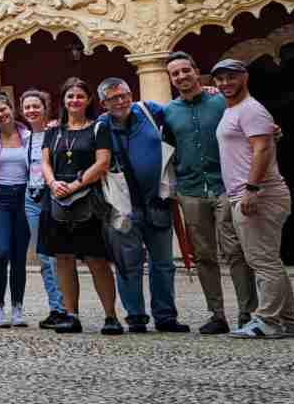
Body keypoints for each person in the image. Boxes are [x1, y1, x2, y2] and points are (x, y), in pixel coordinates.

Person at [163, 51, 257, 334]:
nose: (181, 77)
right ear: (170, 79)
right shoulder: (168, 112)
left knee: (236, 251)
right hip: (190, 190)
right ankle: (217, 315)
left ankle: (247, 313)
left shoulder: (222, 101)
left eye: (185, 70)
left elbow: (249, 124)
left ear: (196, 71)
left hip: (225, 185)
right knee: (203, 255)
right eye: (175, 73)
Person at [211, 59, 294, 339]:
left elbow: (261, 150)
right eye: (220, 79)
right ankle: (288, 322)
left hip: (259, 195)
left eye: (231, 77)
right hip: (247, 194)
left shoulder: (250, 109)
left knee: (263, 262)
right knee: (268, 260)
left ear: (245, 77)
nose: (225, 83)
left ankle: (268, 321)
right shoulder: (235, 108)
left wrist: (251, 188)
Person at [99, 77, 190, 334]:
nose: (120, 101)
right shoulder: (101, 126)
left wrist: (204, 90)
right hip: (122, 206)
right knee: (128, 264)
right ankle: (136, 316)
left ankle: (165, 316)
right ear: (103, 103)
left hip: (157, 201)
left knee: (163, 263)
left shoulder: (151, 111)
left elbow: (182, 108)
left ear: (131, 93)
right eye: (113, 98)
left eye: (124, 95)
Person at [40, 77, 122, 335]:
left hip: (89, 199)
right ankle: (71, 314)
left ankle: (111, 316)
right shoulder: (53, 131)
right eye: (69, 96)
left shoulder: (98, 128)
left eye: (79, 96)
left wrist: (74, 186)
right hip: (56, 199)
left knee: (96, 259)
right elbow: (45, 162)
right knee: (63, 259)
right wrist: (53, 183)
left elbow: (102, 163)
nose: (74, 100)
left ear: (88, 100)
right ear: (63, 101)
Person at [19, 89, 67, 328]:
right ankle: (56, 307)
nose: (31, 111)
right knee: (44, 257)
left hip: (54, 197)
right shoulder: (25, 138)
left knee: (60, 256)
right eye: (27, 107)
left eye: (36, 106)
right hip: (32, 198)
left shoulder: (57, 134)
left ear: (45, 107)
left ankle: (68, 307)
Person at [0, 95, 31, 328]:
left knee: (19, 256)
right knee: (0, 253)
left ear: (12, 108)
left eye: (3, 109)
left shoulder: (28, 136)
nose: (1, 114)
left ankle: (18, 308)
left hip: (24, 197)